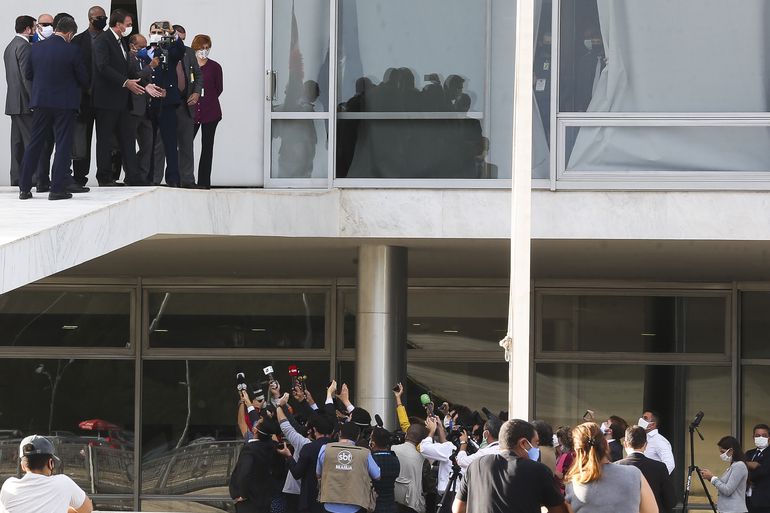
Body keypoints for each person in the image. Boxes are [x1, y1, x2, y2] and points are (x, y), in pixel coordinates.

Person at [17, 16, 88, 200]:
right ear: (70, 33)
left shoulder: (36, 48)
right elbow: (83, 79)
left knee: (35, 143)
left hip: (41, 102)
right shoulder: (72, 50)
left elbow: (28, 74)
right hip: (65, 104)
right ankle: (57, 189)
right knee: (63, 145)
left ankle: (24, 188)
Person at [452, 419, 568, 513]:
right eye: (536, 443)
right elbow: (559, 511)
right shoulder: (538, 471)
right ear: (523, 443)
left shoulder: (475, 466)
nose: (537, 449)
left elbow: (457, 508)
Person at [92, 9, 145, 186]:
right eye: (128, 24)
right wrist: (125, 82)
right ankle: (104, 177)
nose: (130, 27)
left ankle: (133, 176)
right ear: (118, 24)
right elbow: (102, 66)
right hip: (106, 101)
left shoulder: (121, 41)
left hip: (122, 101)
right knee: (105, 140)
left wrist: (145, 84)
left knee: (127, 138)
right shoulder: (103, 40)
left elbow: (128, 69)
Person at [565, 423, 658, 513]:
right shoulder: (634, 474)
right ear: (606, 444)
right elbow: (652, 511)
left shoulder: (573, 484)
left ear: (577, 452)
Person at [0, 435, 93, 513]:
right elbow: (87, 508)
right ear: (51, 463)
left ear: (23, 466)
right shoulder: (64, 483)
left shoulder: (8, 486)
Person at [145, 21, 187, 187]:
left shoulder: (169, 51)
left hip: (167, 102)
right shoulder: (143, 52)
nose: (157, 34)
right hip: (149, 102)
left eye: (160, 32)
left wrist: (171, 34)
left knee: (170, 142)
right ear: (149, 34)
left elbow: (180, 51)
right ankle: (150, 177)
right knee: (150, 142)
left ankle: (173, 178)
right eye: (154, 31)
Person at [70, 5, 107, 186]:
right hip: (83, 99)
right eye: (99, 17)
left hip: (105, 100)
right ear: (90, 18)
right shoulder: (77, 40)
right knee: (81, 139)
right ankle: (79, 177)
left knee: (106, 139)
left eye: (104, 17)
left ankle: (105, 176)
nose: (103, 20)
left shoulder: (111, 39)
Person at [317, 422, 381, 513]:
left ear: (339, 433)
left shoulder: (325, 449)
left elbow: (318, 474)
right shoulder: (364, 453)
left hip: (329, 504)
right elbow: (377, 475)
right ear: (358, 437)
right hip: (356, 505)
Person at [230, 414, 287, 513]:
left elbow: (244, 473)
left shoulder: (250, 449)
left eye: (258, 422)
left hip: (249, 501)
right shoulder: (273, 447)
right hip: (265, 498)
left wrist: (242, 495)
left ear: (255, 430)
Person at [4, 15, 35, 186]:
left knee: (17, 143)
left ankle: (16, 178)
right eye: (34, 27)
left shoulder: (9, 46)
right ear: (28, 29)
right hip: (25, 102)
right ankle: (33, 178)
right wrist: (34, 100)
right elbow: (27, 78)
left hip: (13, 102)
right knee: (31, 141)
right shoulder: (25, 47)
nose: (36, 31)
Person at [617, 425, 676, 513]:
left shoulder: (616, 467)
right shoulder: (659, 467)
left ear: (625, 444)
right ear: (646, 444)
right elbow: (671, 501)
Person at [191, 33, 222, 189]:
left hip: (210, 111)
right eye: (201, 48)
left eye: (206, 48)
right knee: (185, 145)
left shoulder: (215, 67)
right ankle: (187, 179)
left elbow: (218, 88)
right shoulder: (188, 65)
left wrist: (206, 98)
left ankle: (204, 182)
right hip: (191, 112)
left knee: (207, 146)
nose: (204, 51)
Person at [700, 436, 749, 513]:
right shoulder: (733, 466)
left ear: (731, 450)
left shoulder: (739, 465)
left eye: (723, 452)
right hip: (727, 510)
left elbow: (727, 490)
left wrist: (712, 478)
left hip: (734, 510)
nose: (721, 455)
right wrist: (710, 478)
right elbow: (724, 486)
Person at [392, 423, 429, 513]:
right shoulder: (423, 459)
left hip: (392, 500)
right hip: (413, 505)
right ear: (421, 441)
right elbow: (427, 485)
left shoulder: (391, 449)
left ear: (405, 435)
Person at [420, 415, 455, 498]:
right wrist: (439, 427)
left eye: (454, 423)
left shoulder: (449, 449)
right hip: (456, 492)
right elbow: (446, 444)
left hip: (448, 494)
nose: (452, 426)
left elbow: (424, 448)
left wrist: (432, 431)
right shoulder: (464, 447)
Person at [370, 427, 401, 513]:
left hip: (373, 505)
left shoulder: (370, 460)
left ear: (373, 443)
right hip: (391, 504)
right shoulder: (395, 459)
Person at [639, 410, 675, 474]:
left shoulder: (659, 440)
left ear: (653, 424)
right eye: (642, 417)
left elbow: (670, 464)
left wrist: (657, 479)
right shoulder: (642, 438)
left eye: (645, 418)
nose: (641, 420)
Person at [746, 423, 770, 513]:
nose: (760, 438)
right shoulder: (749, 453)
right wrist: (752, 464)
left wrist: (746, 466)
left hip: (765, 502)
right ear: (753, 438)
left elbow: (763, 471)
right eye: (757, 435)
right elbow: (740, 469)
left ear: (769, 438)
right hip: (748, 500)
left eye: (764, 436)